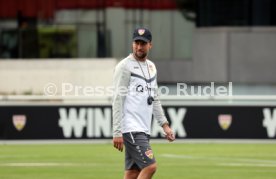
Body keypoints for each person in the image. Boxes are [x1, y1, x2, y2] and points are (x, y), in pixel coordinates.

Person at [112, 27, 175, 179]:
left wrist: (165, 125)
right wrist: (117, 131)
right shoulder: (124, 66)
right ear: (132, 43)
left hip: (144, 128)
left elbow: (155, 98)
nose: (139, 47)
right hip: (131, 127)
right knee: (150, 166)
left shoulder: (152, 67)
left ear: (150, 45)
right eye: (136, 43)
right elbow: (117, 99)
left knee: (132, 173)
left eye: (143, 43)